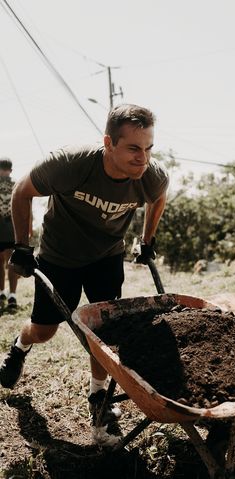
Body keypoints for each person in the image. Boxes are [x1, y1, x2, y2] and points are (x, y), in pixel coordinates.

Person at [0, 104, 169, 445]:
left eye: (149, 148)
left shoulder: (151, 177)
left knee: (105, 332)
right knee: (44, 331)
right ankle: (19, 347)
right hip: (59, 256)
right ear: (109, 143)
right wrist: (21, 246)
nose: (143, 158)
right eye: (134, 148)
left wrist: (147, 240)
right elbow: (22, 191)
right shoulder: (71, 164)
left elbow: (158, 198)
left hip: (106, 257)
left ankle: (98, 396)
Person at [0, 158, 19, 311]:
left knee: (7, 262)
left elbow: (24, 204)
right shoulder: (15, 184)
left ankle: (8, 294)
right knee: (5, 262)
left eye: (6, 169)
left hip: (9, 226)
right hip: (7, 226)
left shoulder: (16, 184)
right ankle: (6, 293)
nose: (5, 172)